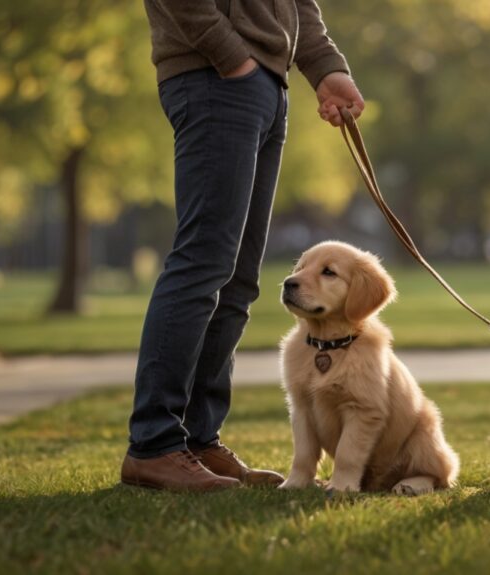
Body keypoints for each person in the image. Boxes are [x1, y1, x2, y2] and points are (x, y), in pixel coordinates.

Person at [122, 0, 365, 491]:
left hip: (264, 85)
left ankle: (197, 439)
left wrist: (324, 67)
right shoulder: (228, 63)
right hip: (215, 75)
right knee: (202, 264)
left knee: (237, 279)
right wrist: (231, 55)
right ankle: (154, 444)